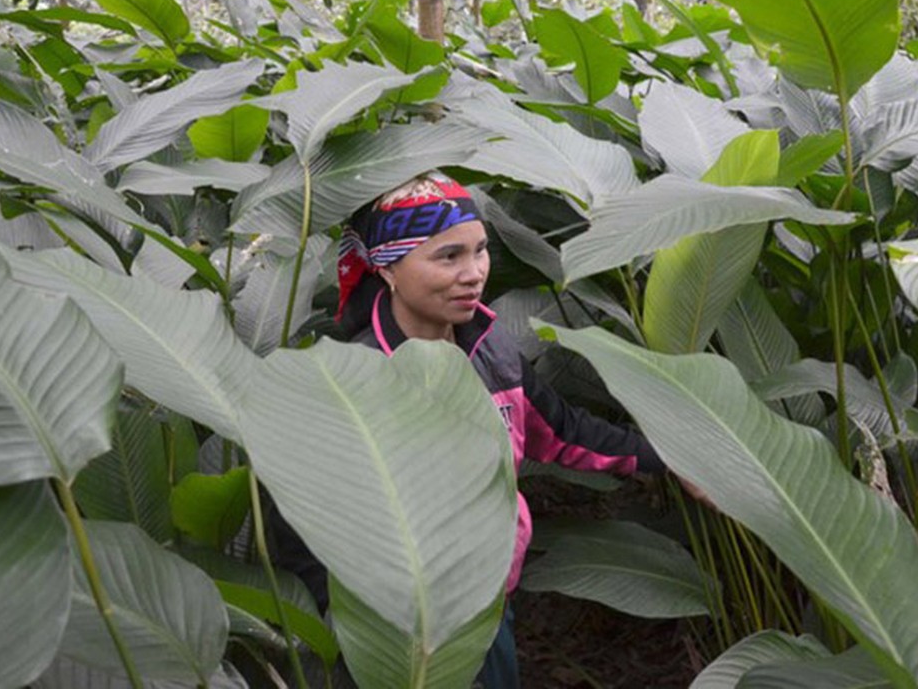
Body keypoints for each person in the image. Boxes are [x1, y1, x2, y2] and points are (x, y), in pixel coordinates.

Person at [272, 173, 675, 688]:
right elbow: (299, 527)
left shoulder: (492, 350)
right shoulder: (352, 379)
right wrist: (339, 632)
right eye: (448, 257)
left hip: (489, 610)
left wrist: (673, 458)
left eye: (480, 251)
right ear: (390, 268)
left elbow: (565, 431)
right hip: (393, 634)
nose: (474, 274)